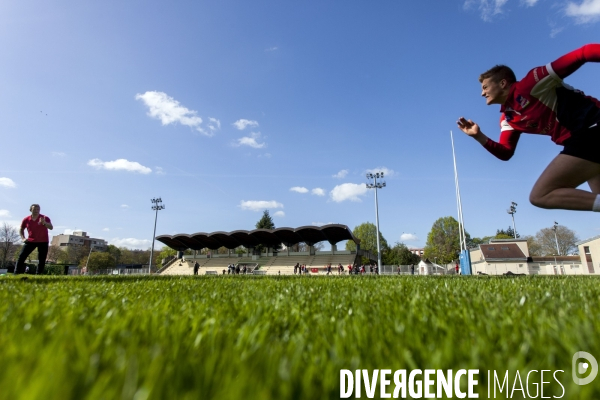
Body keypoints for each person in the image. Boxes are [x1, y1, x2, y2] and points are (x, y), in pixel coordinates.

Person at [457, 44, 600, 212]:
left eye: (485, 87)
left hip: (592, 130)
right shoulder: (508, 118)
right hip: (583, 143)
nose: (482, 93)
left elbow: (583, 53)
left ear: (503, 83)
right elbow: (506, 152)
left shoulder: (530, 84)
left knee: (541, 195)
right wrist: (478, 135)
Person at [16, 204, 53, 275]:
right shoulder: (26, 219)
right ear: (31, 210)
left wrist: (44, 223)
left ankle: (38, 274)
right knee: (21, 256)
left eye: (38, 209)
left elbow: (51, 227)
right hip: (31, 241)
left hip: (43, 241)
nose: (36, 211)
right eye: (34, 209)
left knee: (42, 259)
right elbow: (21, 229)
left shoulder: (45, 218)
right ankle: (16, 273)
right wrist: (23, 238)